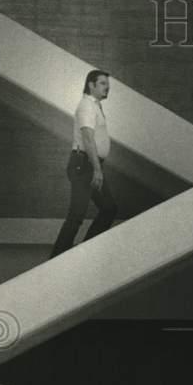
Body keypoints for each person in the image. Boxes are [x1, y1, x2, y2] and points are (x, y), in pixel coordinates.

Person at [50, 69, 118, 258]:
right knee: (77, 215)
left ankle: (83, 254)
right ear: (91, 85)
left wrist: (97, 167)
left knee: (109, 209)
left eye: (107, 84)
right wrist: (97, 169)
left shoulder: (94, 105)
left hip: (89, 165)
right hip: (84, 165)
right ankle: (56, 260)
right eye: (103, 83)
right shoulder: (87, 106)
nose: (107, 87)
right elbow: (88, 138)